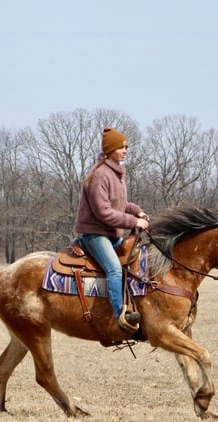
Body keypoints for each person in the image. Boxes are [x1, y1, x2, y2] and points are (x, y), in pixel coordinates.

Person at [75, 126, 150, 335]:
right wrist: (134, 222)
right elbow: (104, 212)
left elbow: (121, 204)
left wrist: (138, 212)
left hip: (112, 234)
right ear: (110, 150)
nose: (125, 150)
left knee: (136, 263)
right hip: (96, 234)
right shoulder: (100, 175)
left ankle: (137, 307)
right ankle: (121, 316)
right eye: (120, 147)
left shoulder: (116, 173)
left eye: (126, 146)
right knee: (115, 269)